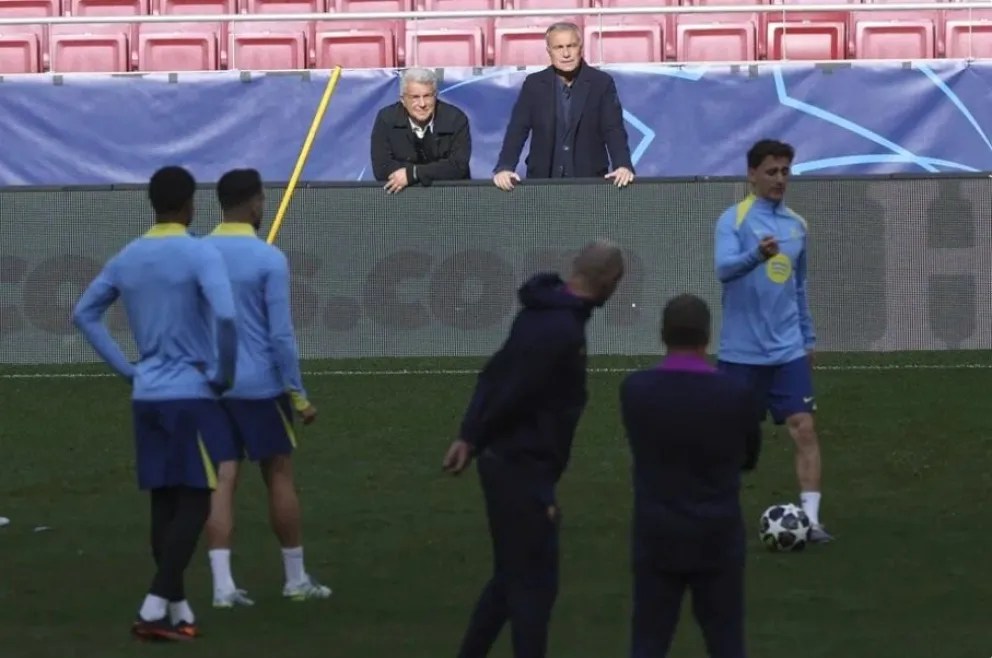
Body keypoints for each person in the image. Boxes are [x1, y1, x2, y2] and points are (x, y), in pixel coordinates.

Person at [72, 165, 239, 642]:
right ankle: (152, 606)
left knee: (164, 503)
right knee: (196, 499)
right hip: (191, 393)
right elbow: (226, 317)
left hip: (147, 395)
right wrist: (223, 374)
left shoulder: (129, 256)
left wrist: (128, 370)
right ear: (190, 205)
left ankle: (177, 612)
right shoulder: (199, 253)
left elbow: (84, 314)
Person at [442, 239, 625, 658]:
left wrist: (469, 436)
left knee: (510, 580)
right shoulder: (559, 331)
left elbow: (494, 373)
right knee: (534, 590)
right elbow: (512, 392)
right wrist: (478, 439)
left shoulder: (541, 314)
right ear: (610, 282)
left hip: (508, 463)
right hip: (520, 470)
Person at [201, 168, 331, 607]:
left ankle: (222, 588)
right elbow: (280, 336)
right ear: (255, 203)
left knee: (222, 480)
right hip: (261, 388)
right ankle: (294, 580)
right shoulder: (267, 259)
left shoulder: (199, 253)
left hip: (214, 386)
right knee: (278, 474)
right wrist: (299, 394)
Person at [620, 294, 761, 658]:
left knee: (648, 641)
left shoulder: (635, 391)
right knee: (727, 641)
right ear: (707, 336)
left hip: (657, 536)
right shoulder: (735, 393)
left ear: (663, 334)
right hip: (717, 537)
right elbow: (749, 457)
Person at [714, 138, 832, 543]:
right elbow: (724, 270)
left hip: (787, 350)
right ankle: (720, 518)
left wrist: (808, 337)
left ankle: (812, 521)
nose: (780, 178)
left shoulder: (797, 226)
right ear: (752, 175)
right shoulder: (733, 220)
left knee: (804, 428)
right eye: (771, 171)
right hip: (740, 352)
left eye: (785, 171)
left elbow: (799, 287)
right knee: (729, 442)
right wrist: (756, 257)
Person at [492, 22, 634, 190]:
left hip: (589, 182)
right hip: (543, 182)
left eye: (571, 46)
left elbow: (613, 129)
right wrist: (505, 167)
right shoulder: (534, 84)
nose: (566, 53)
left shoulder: (601, 83)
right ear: (549, 51)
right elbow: (517, 129)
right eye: (558, 47)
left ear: (580, 48)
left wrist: (623, 165)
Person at [371, 67, 472, 192]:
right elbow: (382, 168)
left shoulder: (456, 119)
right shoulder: (386, 119)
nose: (422, 104)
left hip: (450, 196)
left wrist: (413, 174)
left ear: (435, 96)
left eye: (427, 96)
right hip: (401, 196)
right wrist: (434, 171)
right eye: (415, 97)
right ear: (403, 100)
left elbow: (458, 166)